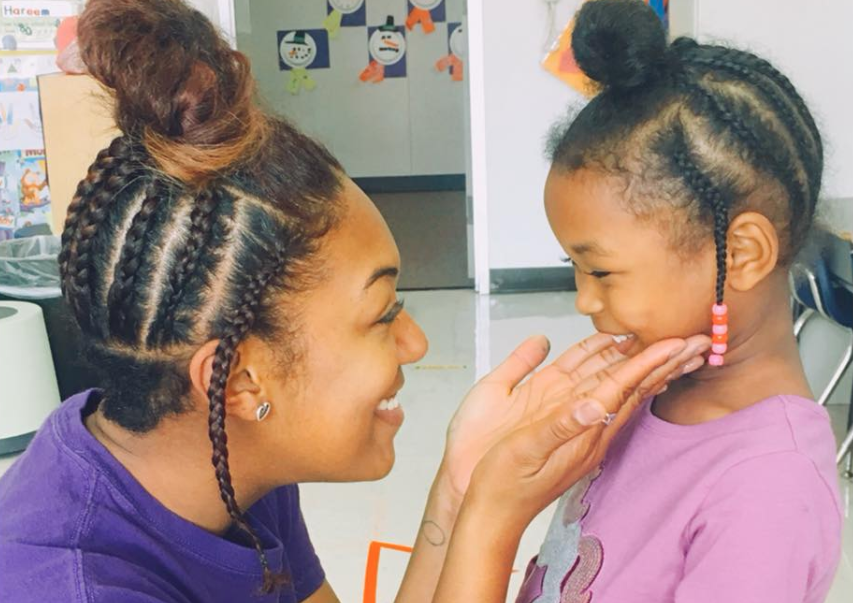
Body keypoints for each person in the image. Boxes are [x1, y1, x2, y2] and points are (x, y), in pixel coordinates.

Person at [0, 1, 710, 602]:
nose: (416, 344)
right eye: (382, 314)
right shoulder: (73, 583)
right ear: (241, 377)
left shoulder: (219, 453)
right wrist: (492, 520)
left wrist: (458, 488)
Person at [514, 1, 843, 602]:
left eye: (602, 271)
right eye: (575, 268)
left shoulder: (768, 486)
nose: (585, 301)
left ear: (740, 254)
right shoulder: (656, 390)